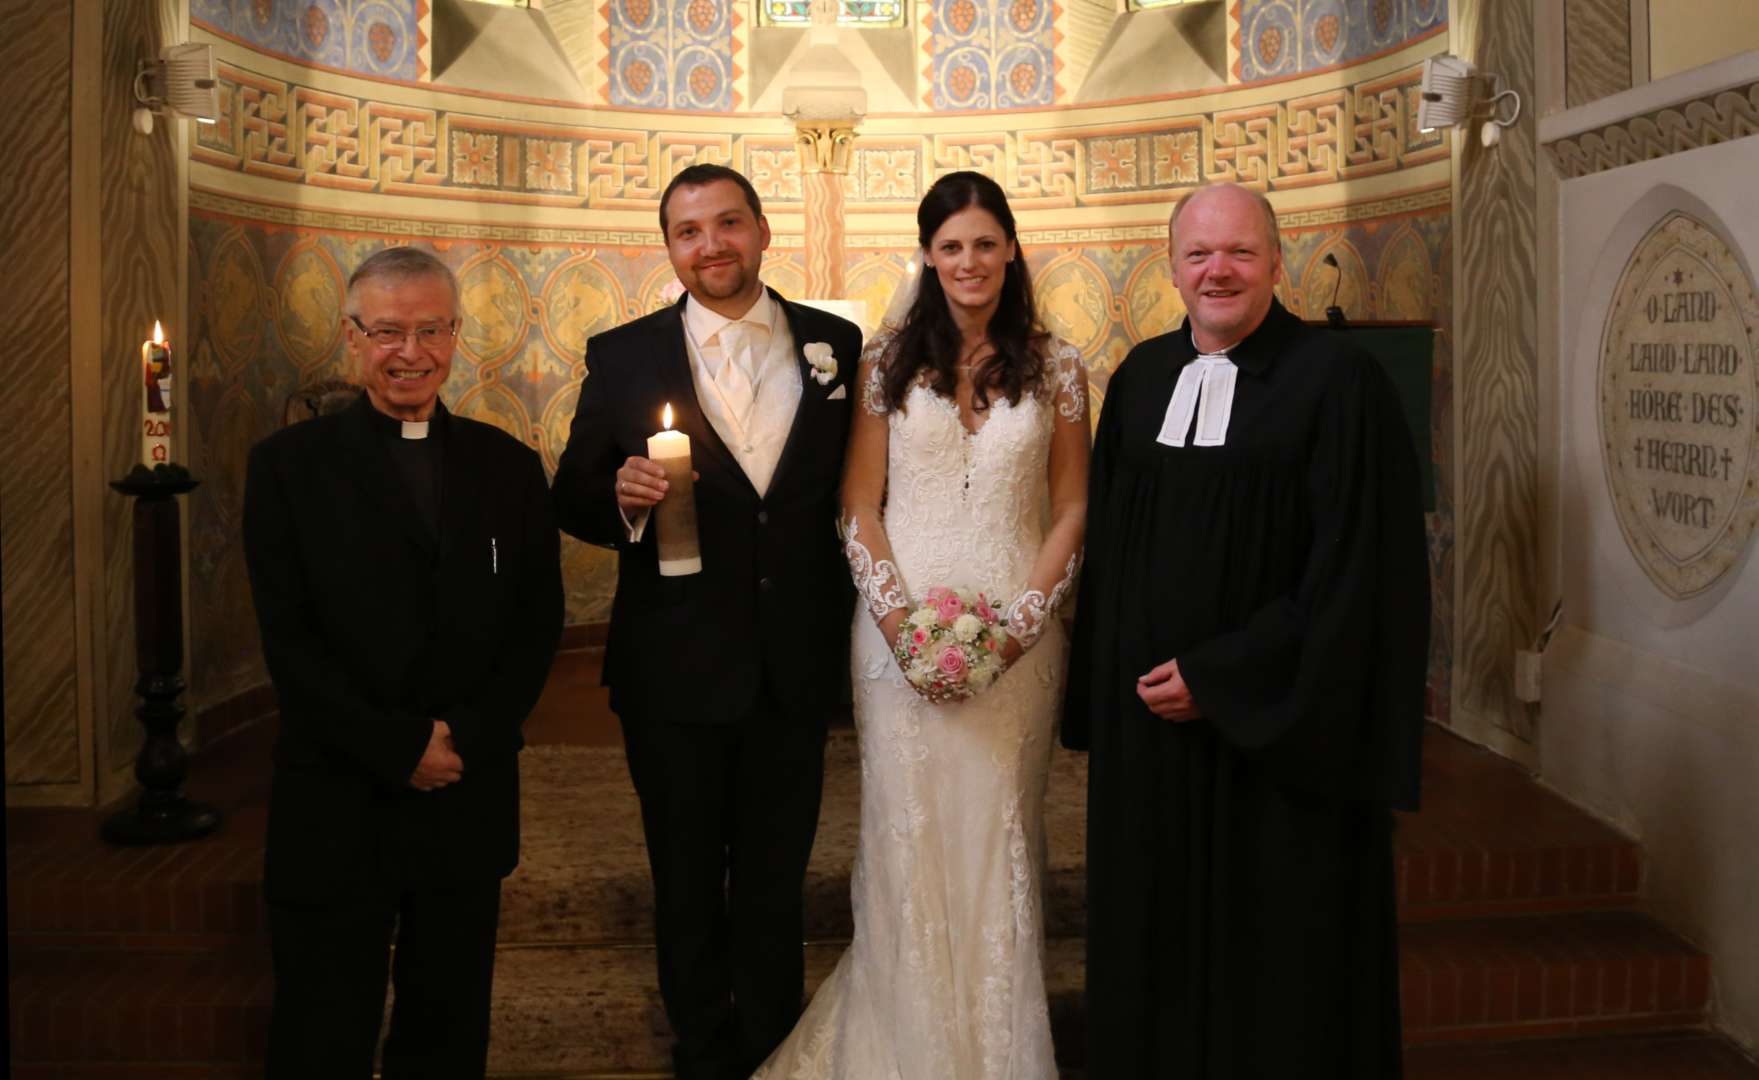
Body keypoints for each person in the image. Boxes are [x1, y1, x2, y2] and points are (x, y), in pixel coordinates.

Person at [1063, 181, 1430, 1076]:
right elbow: (1110, 551)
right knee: (1158, 936)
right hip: (1153, 738)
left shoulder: (1339, 382)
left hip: (1278, 739)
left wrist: (1222, 676)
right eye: (1197, 254)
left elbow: (1359, 574)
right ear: (1172, 267)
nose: (1216, 271)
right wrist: (1110, 695)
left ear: (1274, 262)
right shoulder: (1144, 376)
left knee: (1278, 953)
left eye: (1236, 252)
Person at [755, 170, 1089, 1079]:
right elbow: (858, 504)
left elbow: (1069, 507)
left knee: (998, 833)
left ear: (1011, 248)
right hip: (895, 630)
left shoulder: (1059, 365)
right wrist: (900, 623)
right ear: (928, 256)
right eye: (950, 246)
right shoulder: (887, 361)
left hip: (1017, 636)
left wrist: (1022, 620)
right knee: (906, 836)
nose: (969, 261)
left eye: (984, 242)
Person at [552, 163, 862, 1080]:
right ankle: (702, 1050)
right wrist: (620, 495)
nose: (710, 245)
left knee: (774, 879)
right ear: (670, 248)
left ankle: (773, 1043)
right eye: (689, 232)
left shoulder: (836, 343)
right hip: (673, 666)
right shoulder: (622, 355)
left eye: (728, 224)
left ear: (763, 231)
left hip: (793, 664)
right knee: (685, 878)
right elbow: (569, 495)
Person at [243, 245, 565, 1079]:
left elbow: (537, 626)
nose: (410, 352)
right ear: (351, 337)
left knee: (448, 1027)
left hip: (466, 789)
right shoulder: (287, 468)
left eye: (429, 330)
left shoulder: (509, 466)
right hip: (336, 793)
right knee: (322, 1027)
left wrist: (465, 737)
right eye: (387, 331)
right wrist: (396, 746)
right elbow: (288, 640)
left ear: (456, 335)